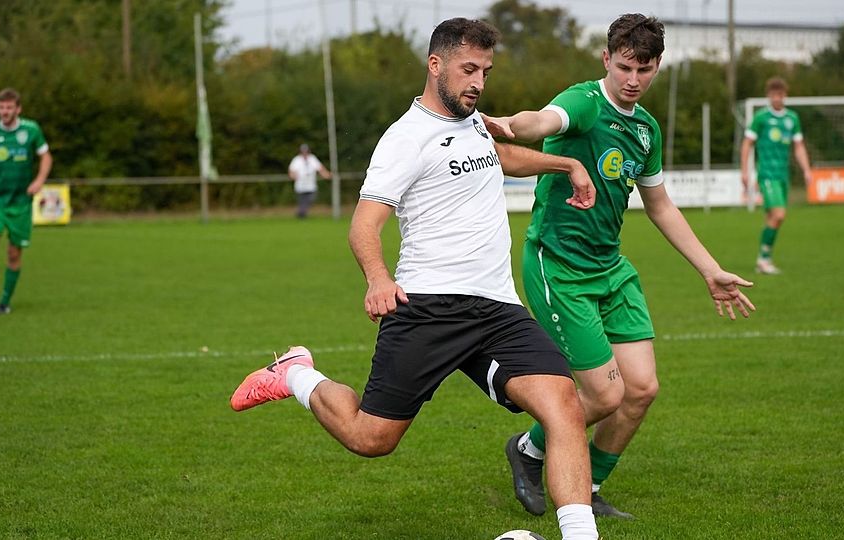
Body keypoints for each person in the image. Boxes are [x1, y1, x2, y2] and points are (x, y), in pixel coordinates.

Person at [230, 18, 601, 540]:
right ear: (435, 65)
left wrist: (564, 164)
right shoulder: (405, 139)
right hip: (428, 307)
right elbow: (364, 225)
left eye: (486, 72)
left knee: (563, 405)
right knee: (371, 438)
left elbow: (498, 157)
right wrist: (378, 279)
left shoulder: (473, 122)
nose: (478, 82)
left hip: (498, 307)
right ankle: (295, 374)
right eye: (468, 69)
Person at [481, 13, 755, 519]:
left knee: (642, 389)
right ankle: (529, 450)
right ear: (606, 59)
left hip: (610, 269)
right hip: (559, 267)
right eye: (625, 67)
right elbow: (543, 120)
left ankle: (588, 486)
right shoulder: (585, 102)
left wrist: (709, 269)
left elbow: (660, 206)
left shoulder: (646, 130)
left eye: (644, 70)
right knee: (605, 395)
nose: (633, 79)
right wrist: (511, 126)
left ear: (657, 67)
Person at [0, 88, 52, 315]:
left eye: (9, 107)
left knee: (14, 254)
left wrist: (39, 180)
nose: (4, 111)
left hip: (21, 202)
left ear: (18, 109)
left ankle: (4, 302)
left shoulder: (31, 130)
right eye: (1, 107)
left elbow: (46, 156)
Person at [740, 76, 812, 274]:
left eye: (780, 95)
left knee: (773, 217)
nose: (776, 98)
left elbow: (799, 146)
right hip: (767, 174)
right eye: (773, 95)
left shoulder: (792, 119)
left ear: (785, 95)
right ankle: (763, 260)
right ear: (768, 96)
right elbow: (747, 144)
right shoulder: (761, 118)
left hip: (783, 175)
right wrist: (744, 171)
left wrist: (806, 169)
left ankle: (764, 259)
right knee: (779, 214)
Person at [288, 143, 331, 218]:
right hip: (300, 186)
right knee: (301, 201)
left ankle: (301, 213)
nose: (305, 153)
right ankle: (302, 214)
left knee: (311, 199)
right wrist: (293, 176)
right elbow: (291, 171)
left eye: (306, 151)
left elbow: (320, 168)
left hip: (311, 186)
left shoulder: (312, 158)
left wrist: (327, 174)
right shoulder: (296, 160)